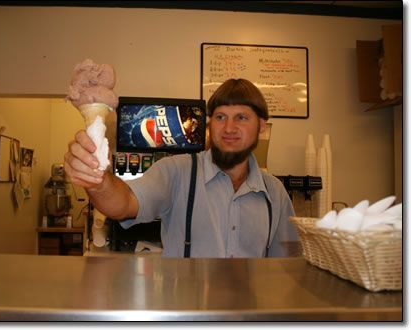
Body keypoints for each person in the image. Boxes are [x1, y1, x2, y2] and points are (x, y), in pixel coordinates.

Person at [64, 78, 298, 258]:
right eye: (220, 117)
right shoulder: (177, 171)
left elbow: (286, 267)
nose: (229, 127)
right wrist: (98, 182)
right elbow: (123, 203)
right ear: (209, 124)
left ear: (261, 127)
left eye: (242, 118)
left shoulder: (275, 194)